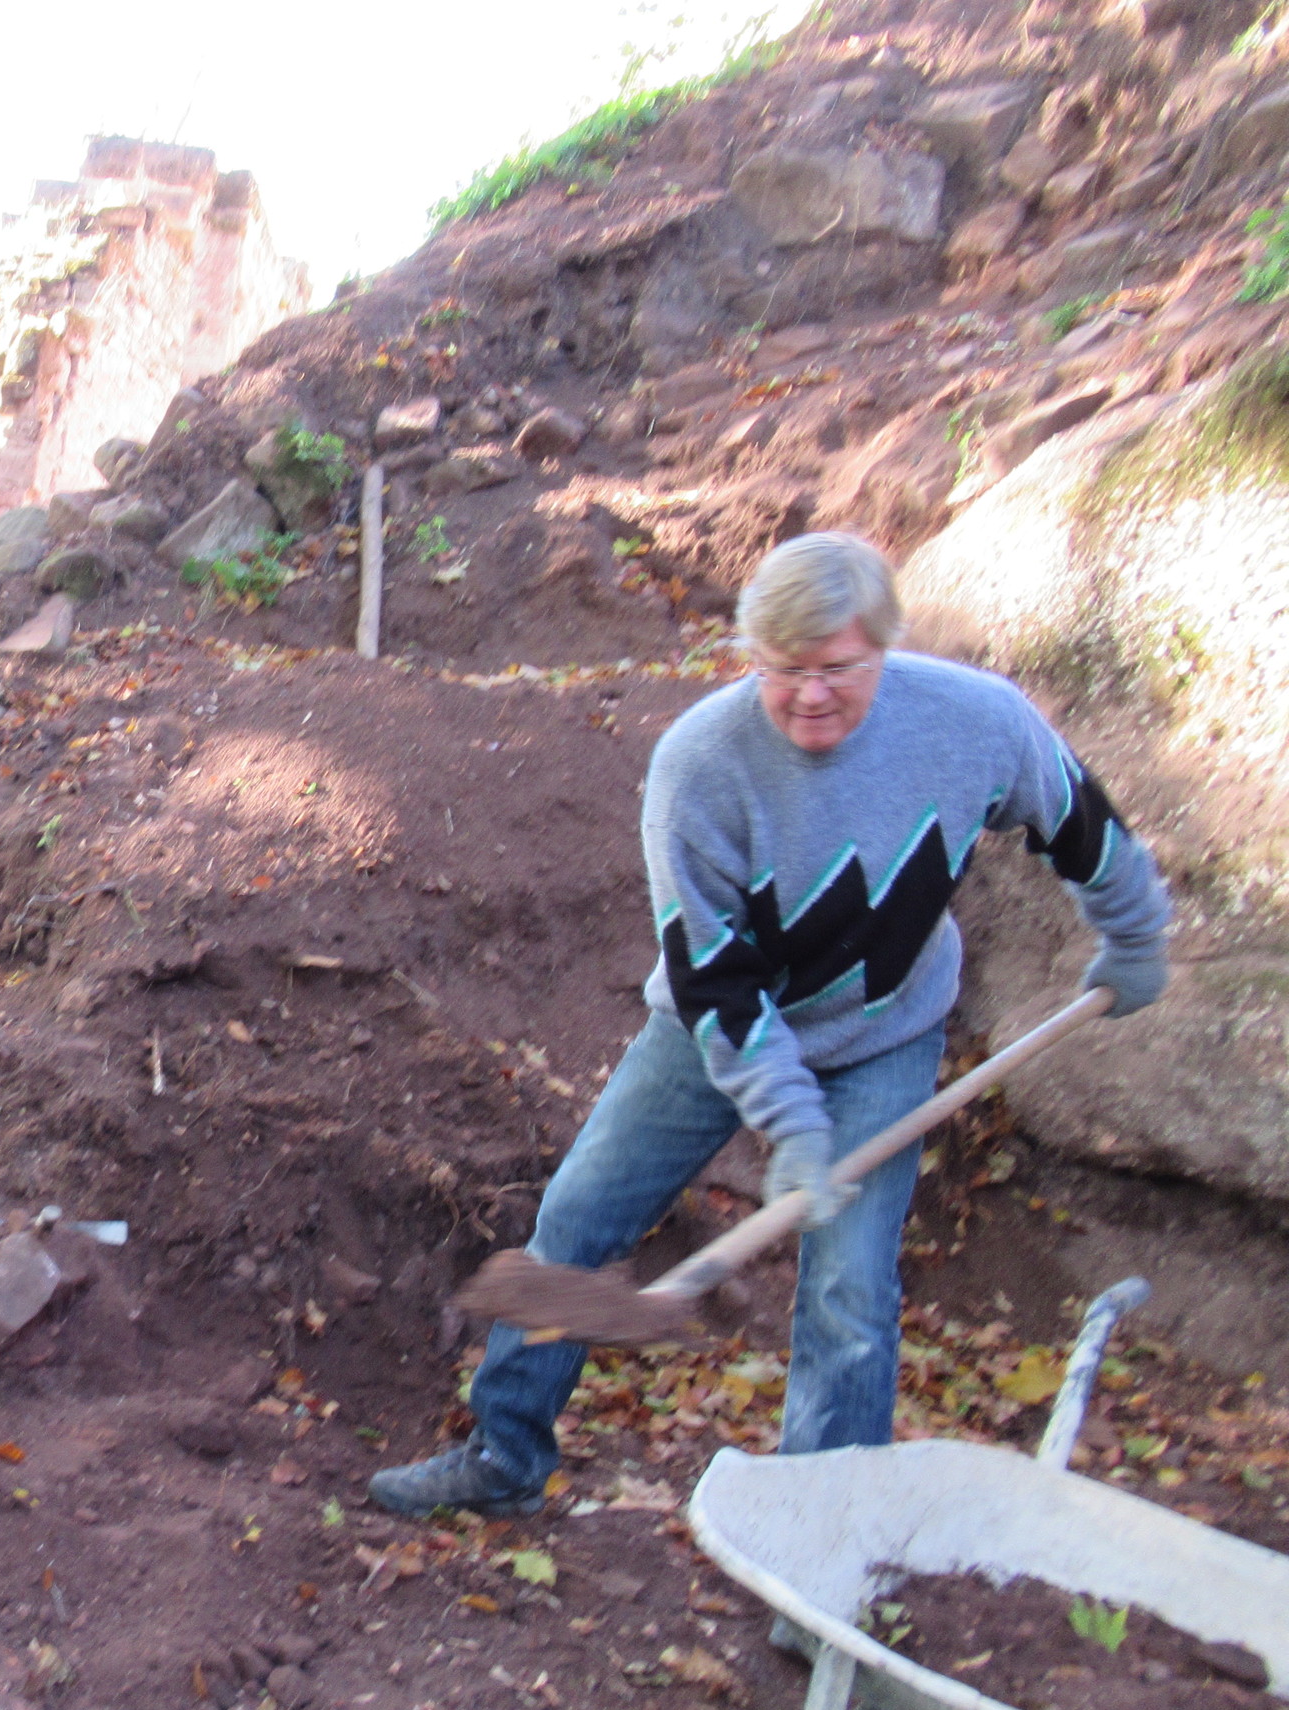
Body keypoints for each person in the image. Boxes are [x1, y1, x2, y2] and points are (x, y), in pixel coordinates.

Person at [369, 530, 1172, 1520]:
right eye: (781, 670)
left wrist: (1135, 935)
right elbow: (717, 981)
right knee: (577, 1217)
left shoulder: (977, 724)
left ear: (884, 647)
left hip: (884, 1034)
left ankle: (820, 1525)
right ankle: (503, 1457)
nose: (809, 695)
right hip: (714, 1033)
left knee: (849, 1288)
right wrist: (791, 1127)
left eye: (838, 669)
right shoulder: (701, 764)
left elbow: (1083, 823)